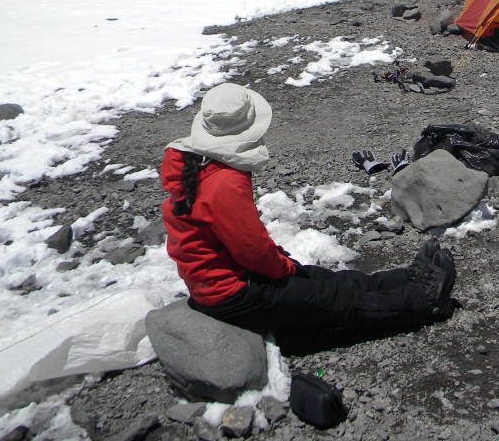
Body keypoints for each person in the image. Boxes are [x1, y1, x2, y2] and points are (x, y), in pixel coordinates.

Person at [160, 82, 455, 332]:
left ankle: (405, 278)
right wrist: (283, 266)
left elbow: (235, 241)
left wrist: (282, 264)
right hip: (234, 292)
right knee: (335, 302)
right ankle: (423, 301)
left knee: (325, 281)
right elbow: (249, 248)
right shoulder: (225, 181)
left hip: (222, 281)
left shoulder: (196, 163)